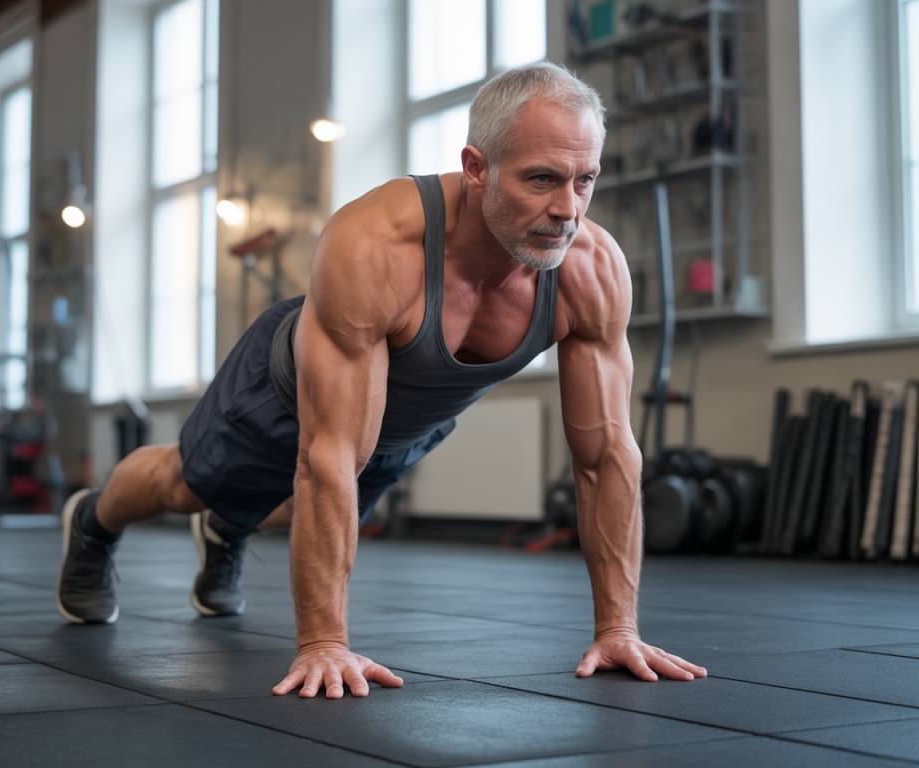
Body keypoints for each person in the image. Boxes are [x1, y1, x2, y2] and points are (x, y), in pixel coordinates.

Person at [56, 61, 708, 699]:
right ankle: (93, 520)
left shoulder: (590, 269)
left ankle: (230, 529)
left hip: (401, 428)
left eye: (584, 180)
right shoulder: (378, 242)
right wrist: (323, 643)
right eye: (541, 179)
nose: (568, 209)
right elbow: (328, 455)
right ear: (476, 168)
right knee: (183, 485)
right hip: (281, 390)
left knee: (293, 507)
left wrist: (618, 627)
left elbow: (605, 457)